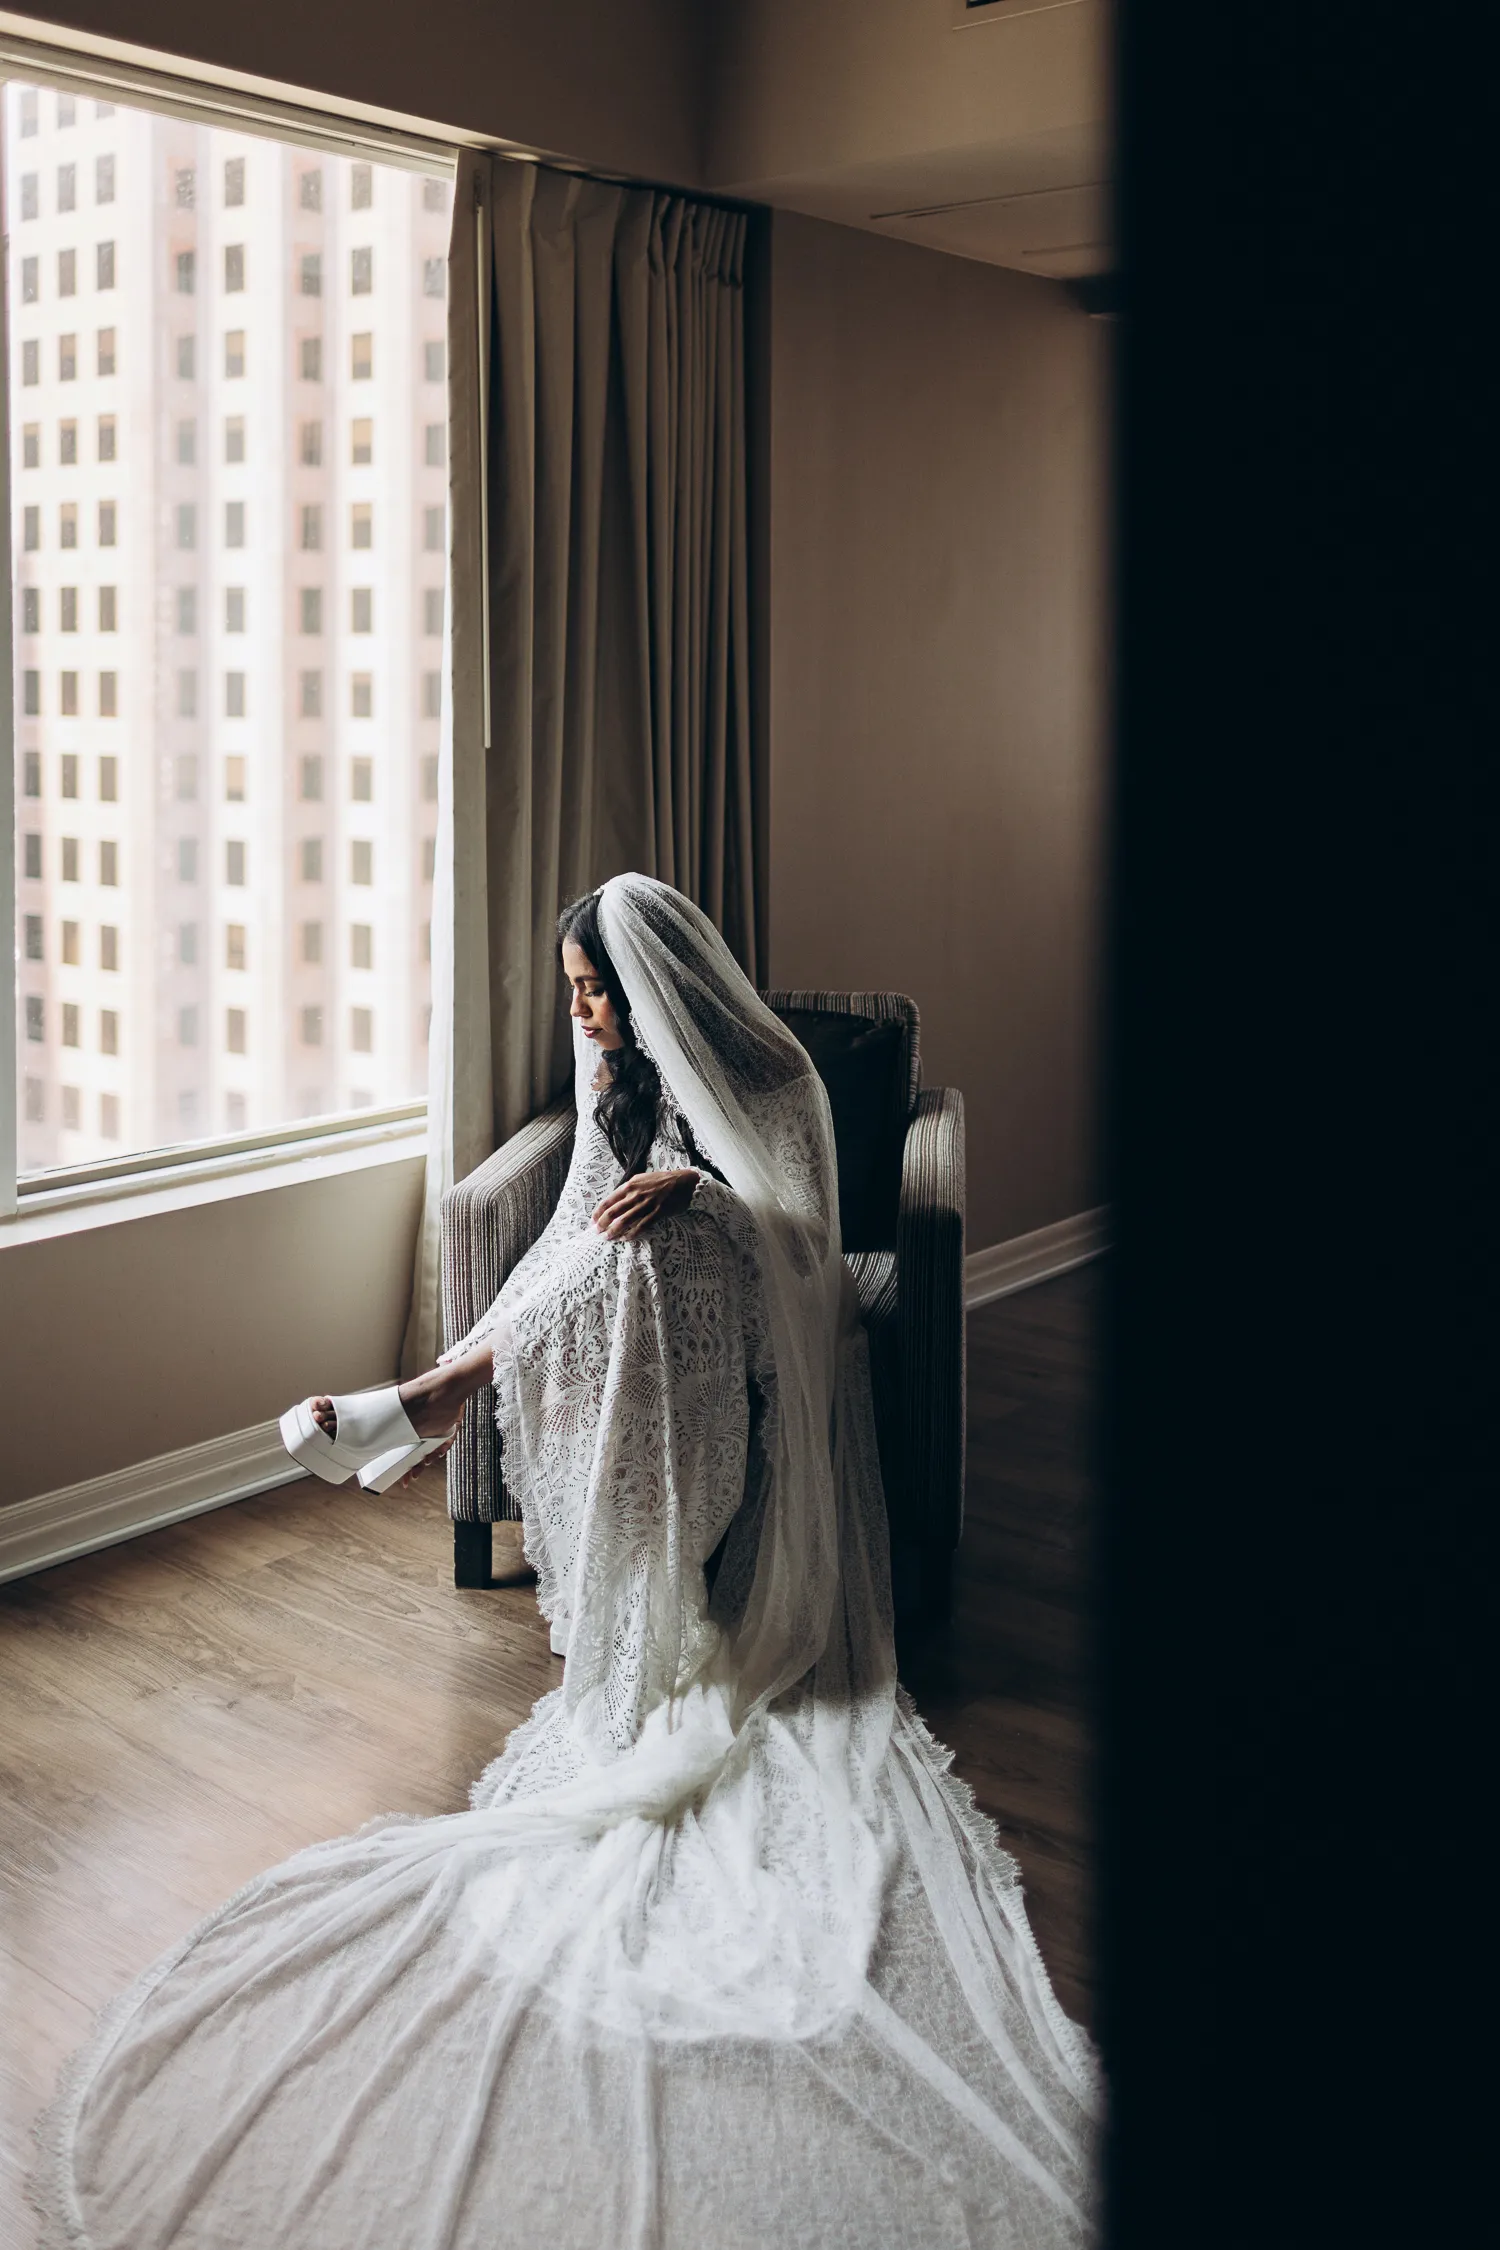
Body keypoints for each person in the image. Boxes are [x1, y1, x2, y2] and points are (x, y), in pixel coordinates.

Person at [32, 875, 1100, 2250]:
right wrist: (534, 1294)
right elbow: (566, 1234)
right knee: (612, 1261)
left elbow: (812, 1238)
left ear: (652, 985)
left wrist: (702, 1189)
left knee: (660, 1247)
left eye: (596, 992)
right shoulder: (612, 1076)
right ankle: (444, 1392)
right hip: (641, 1318)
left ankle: (426, 1405)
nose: (584, 1015)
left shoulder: (772, 1075)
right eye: (575, 993)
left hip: (766, 1310)